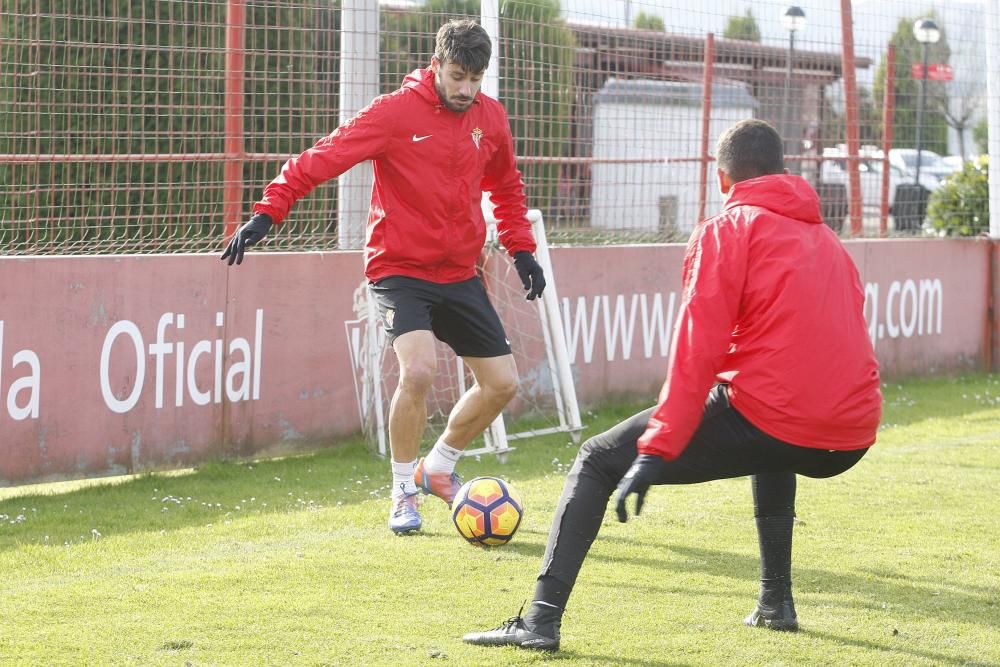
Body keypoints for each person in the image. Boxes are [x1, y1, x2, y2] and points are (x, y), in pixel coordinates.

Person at [462, 119, 882, 651]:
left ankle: (539, 622)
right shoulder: (829, 240)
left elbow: (695, 351)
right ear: (783, 172)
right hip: (853, 434)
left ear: (723, 179)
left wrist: (658, 448)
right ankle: (776, 601)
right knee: (772, 432)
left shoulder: (726, 229)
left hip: (782, 415)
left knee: (595, 458)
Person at [221, 19, 546, 535]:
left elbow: (506, 187)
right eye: (458, 76)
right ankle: (402, 492)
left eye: (475, 79)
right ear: (436, 65)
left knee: (502, 384)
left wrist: (521, 249)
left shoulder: (492, 118)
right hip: (398, 269)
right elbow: (322, 158)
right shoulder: (395, 113)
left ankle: (437, 466)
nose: (466, 89)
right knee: (418, 372)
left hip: (460, 271)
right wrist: (267, 212)